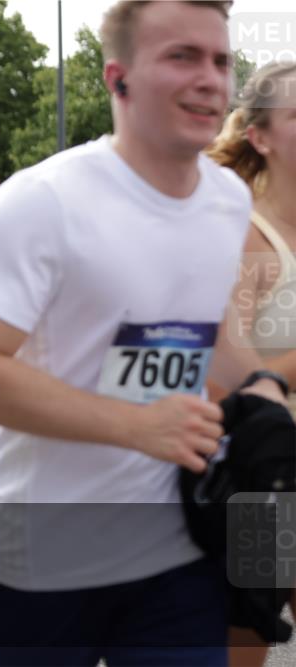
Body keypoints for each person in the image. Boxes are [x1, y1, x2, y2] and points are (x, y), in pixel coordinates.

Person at [0, 2, 292, 664]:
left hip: (177, 553)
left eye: (220, 60)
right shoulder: (43, 201)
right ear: (117, 78)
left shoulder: (225, 200)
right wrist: (133, 425)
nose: (211, 78)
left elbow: (210, 335)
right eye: (182, 57)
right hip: (40, 562)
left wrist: (263, 390)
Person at [206, 61, 296, 667]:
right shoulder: (247, 237)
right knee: (246, 646)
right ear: (260, 136)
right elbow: (217, 378)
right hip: (263, 483)